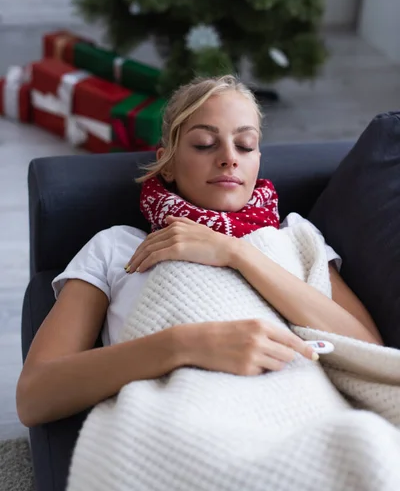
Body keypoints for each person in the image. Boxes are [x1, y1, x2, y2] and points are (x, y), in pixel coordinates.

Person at [16, 75, 383, 429]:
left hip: (306, 417)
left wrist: (234, 252)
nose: (228, 158)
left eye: (245, 145)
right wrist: (183, 345)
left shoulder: (295, 237)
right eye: (205, 144)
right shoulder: (118, 247)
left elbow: (371, 352)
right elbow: (35, 396)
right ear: (169, 162)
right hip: (186, 425)